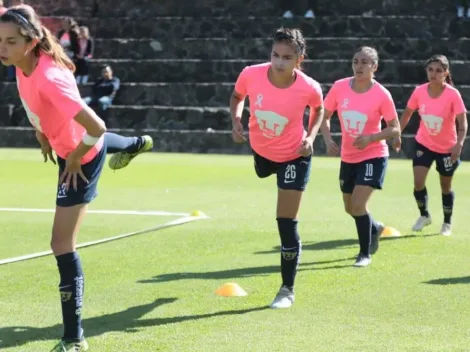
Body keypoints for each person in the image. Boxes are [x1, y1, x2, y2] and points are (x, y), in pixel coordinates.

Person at [0, 5, 153, 351]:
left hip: (79, 158)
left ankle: (74, 339)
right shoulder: (24, 63)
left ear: (31, 40)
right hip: (71, 146)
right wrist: (41, 134)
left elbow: (95, 127)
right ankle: (136, 143)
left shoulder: (50, 78)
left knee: (61, 244)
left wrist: (70, 158)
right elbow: (33, 105)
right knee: (101, 144)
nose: (2, 48)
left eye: (10, 41)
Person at [230, 27, 324, 309]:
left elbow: (318, 110)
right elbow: (237, 97)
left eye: (287, 57)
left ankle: (287, 289)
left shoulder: (309, 86)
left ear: (299, 59)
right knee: (262, 172)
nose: (279, 62)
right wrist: (236, 121)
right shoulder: (251, 74)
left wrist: (310, 136)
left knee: (286, 221)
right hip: (261, 151)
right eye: (275, 55)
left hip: (294, 155)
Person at [321, 46, 400, 267]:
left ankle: (365, 254)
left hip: (374, 155)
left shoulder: (382, 94)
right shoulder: (339, 88)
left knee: (357, 205)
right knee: (350, 208)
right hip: (348, 156)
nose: (359, 66)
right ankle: (374, 228)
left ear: (374, 67)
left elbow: (395, 128)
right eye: (356, 61)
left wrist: (372, 138)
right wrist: (328, 141)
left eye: (365, 62)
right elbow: (324, 116)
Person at [393, 55, 467, 236]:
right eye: (430, 70)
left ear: (446, 73)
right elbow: (408, 113)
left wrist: (459, 144)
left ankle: (447, 222)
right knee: (418, 182)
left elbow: (463, 124)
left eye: (439, 71)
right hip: (424, 143)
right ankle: (424, 215)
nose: (434, 74)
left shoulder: (452, 94)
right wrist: (397, 134)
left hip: (447, 148)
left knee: (445, 186)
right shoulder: (419, 91)